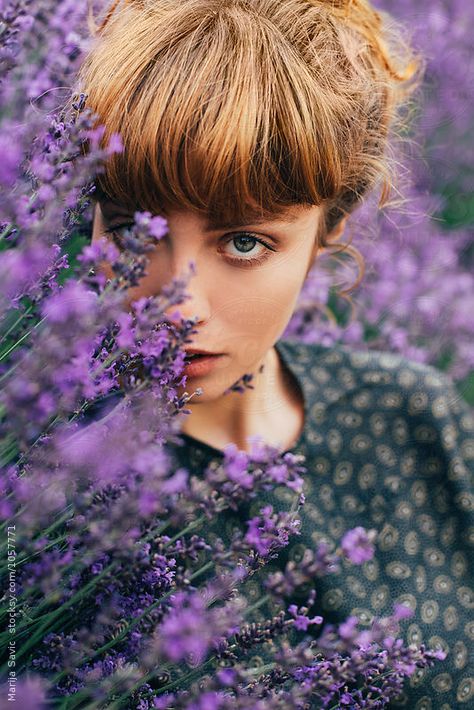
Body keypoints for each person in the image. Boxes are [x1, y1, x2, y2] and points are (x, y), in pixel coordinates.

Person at [76, 1, 474, 706]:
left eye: (244, 242)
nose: (179, 310)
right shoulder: (50, 487)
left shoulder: (417, 413)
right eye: (135, 230)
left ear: (330, 230)